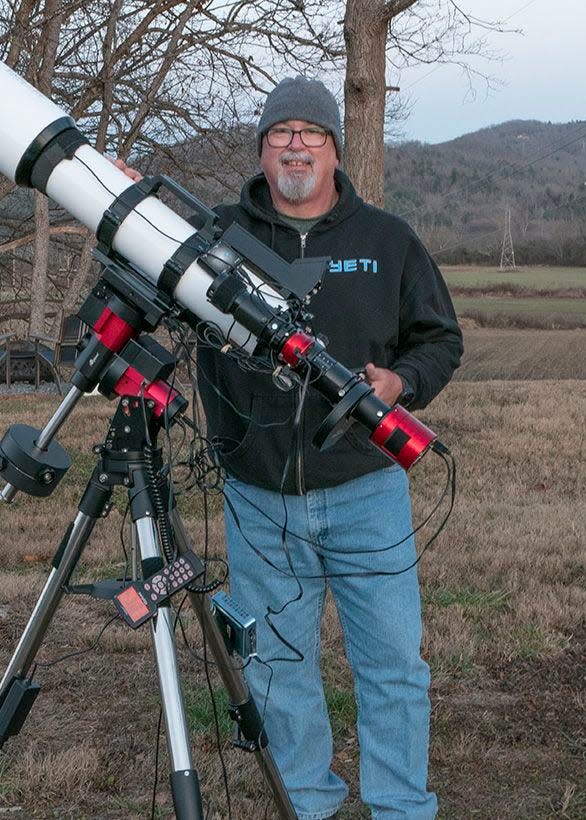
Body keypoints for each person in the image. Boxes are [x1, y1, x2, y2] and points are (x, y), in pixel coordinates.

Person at [121, 76, 462, 820]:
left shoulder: (387, 240)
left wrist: (400, 383)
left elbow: (441, 340)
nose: (296, 145)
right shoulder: (216, 239)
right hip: (257, 495)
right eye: (281, 133)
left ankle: (402, 807)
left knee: (395, 666)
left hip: (367, 489)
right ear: (263, 149)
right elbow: (144, 290)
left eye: (312, 133)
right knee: (276, 665)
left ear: (336, 149)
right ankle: (305, 803)